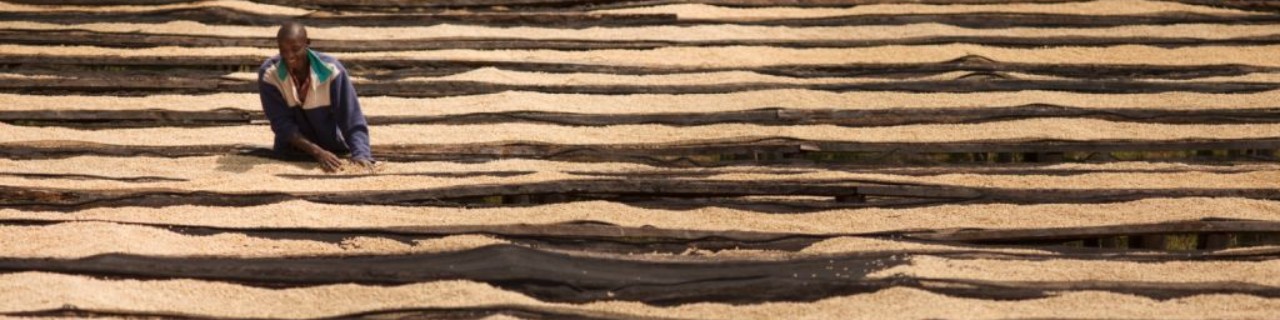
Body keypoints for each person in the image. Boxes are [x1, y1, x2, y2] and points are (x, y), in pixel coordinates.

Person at [258, 21, 375, 173]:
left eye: (295, 49)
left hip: (332, 151)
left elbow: (350, 117)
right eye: (283, 51)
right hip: (290, 154)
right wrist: (317, 152)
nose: (289, 56)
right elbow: (281, 124)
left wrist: (362, 155)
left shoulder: (332, 71)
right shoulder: (269, 74)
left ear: (307, 43)